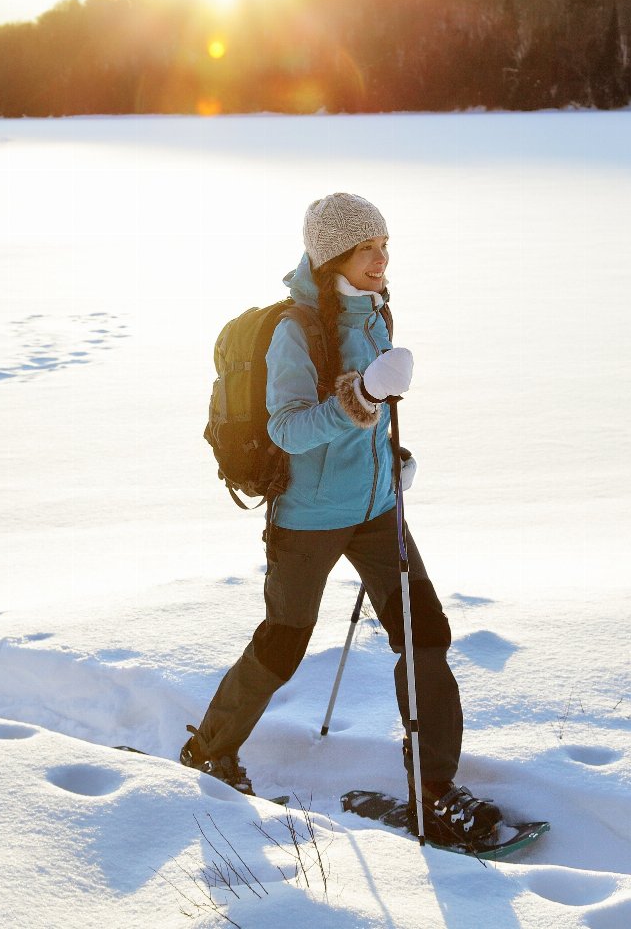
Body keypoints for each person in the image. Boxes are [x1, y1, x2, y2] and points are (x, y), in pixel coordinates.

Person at [180, 192, 502, 847]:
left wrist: (391, 458)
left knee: (425, 633)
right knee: (284, 641)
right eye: (367, 249)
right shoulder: (295, 333)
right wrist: (362, 396)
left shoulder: (377, 312)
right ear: (334, 256)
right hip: (310, 516)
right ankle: (210, 750)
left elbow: (373, 416)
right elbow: (290, 428)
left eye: (385, 247)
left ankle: (435, 791)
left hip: (378, 509)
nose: (382, 260)